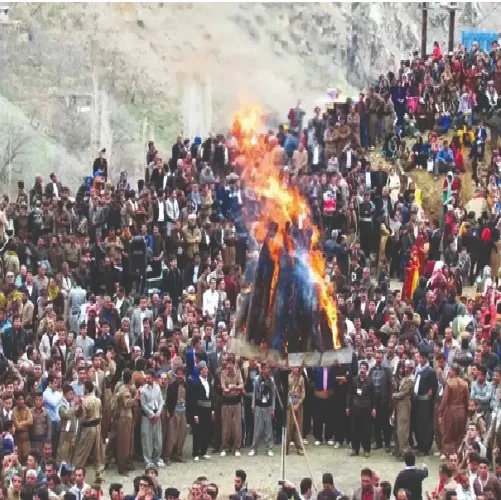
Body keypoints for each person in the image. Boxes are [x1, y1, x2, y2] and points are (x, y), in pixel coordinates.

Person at [72, 381, 104, 481]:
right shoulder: (98, 400)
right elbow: (101, 414)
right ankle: (99, 472)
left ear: (86, 389)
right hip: (97, 427)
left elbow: (82, 417)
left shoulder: (85, 401)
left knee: (81, 451)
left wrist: (78, 407)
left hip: (88, 428)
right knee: (97, 452)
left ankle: (74, 473)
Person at [438, 363, 469, 455]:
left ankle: (450, 454)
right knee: (460, 434)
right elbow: (467, 400)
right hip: (462, 411)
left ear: (454, 371)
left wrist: (440, 413)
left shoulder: (450, 384)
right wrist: (467, 412)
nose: (449, 372)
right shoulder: (465, 384)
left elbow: (444, 400)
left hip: (451, 411)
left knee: (448, 434)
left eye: (450, 370)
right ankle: (459, 454)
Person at [347, 360, 375, 457]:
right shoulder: (354, 380)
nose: (362, 370)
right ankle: (355, 449)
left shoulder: (370, 382)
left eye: (364, 369)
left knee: (366, 430)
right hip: (355, 409)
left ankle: (366, 449)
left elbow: (374, 396)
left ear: (367, 370)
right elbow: (350, 394)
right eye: (361, 368)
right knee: (355, 429)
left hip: (366, 409)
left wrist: (374, 408)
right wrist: (348, 407)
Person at [189, 361, 214, 462]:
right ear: (200, 371)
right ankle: (195, 452)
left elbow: (211, 397)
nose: (207, 371)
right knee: (197, 431)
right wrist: (195, 414)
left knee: (206, 431)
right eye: (205, 369)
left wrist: (212, 410)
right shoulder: (196, 383)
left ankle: (203, 451)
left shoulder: (208, 381)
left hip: (208, 409)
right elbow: (193, 400)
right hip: (199, 410)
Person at [249, 361, 275, 457]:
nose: (267, 370)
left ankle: (269, 448)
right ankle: (254, 448)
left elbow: (273, 395)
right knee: (257, 429)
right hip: (259, 406)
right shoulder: (257, 380)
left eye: (268, 368)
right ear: (262, 369)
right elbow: (254, 394)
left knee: (268, 429)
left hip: (268, 406)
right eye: (265, 368)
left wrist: (273, 408)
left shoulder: (271, 380)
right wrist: (253, 406)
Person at [141, 369, 164, 469]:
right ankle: (148, 461)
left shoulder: (157, 388)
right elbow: (143, 405)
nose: (147, 380)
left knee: (158, 439)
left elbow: (161, 401)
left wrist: (157, 414)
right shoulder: (143, 390)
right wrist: (151, 415)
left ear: (153, 378)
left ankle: (156, 458)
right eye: (146, 378)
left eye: (149, 378)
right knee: (147, 440)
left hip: (157, 415)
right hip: (147, 417)